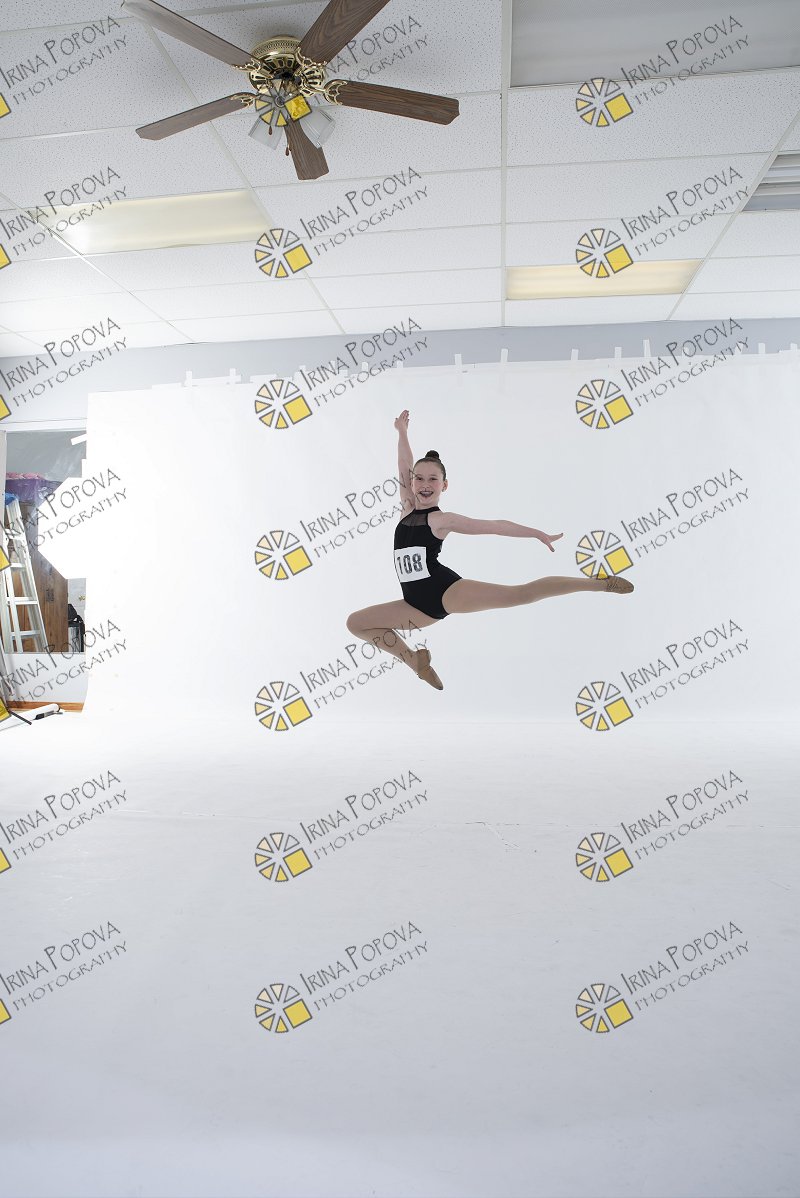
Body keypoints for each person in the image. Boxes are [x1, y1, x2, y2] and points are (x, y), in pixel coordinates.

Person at [345, 410, 633, 690]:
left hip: (445, 592)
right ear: (411, 481)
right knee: (356, 624)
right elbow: (403, 462)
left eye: (433, 479)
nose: (425, 484)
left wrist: (536, 533)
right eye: (419, 478)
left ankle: (600, 583)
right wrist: (402, 432)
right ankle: (416, 662)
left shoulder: (442, 520)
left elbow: (495, 526)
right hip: (414, 605)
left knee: (520, 594)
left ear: (444, 485)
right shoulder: (407, 506)